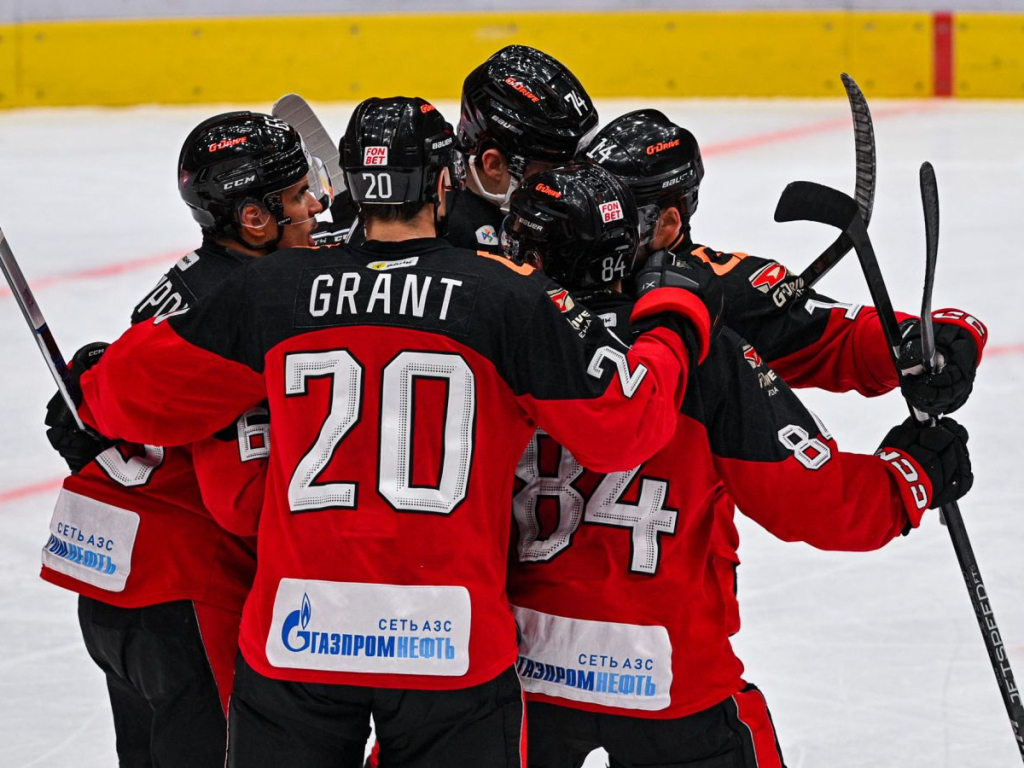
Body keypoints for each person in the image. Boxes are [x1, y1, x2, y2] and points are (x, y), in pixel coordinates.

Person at [62, 96, 720, 768]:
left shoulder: (274, 289)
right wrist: (671, 320)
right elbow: (625, 428)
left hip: (300, 637)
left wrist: (88, 386)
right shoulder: (507, 296)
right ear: (443, 183)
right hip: (449, 642)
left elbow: (129, 396)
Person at [499, 163, 974, 767]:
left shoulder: (490, 334)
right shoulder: (700, 351)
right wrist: (911, 473)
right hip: (671, 680)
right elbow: (813, 501)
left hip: (517, 675)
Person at [581, 109, 987, 636]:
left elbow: (826, 333)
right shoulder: (541, 271)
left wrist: (925, 342)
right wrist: (905, 479)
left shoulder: (714, 291)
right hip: (659, 633)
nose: (593, 222)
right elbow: (804, 495)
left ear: (669, 223)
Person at [41, 110, 328, 767]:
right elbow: (238, 502)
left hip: (112, 588)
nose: (316, 205)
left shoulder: (188, 283)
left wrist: (90, 399)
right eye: (298, 196)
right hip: (185, 592)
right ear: (253, 219)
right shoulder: (251, 314)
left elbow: (125, 398)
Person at [449, 44, 599, 253]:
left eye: (579, 159)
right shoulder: (454, 242)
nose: (573, 182)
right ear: (494, 165)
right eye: (554, 169)